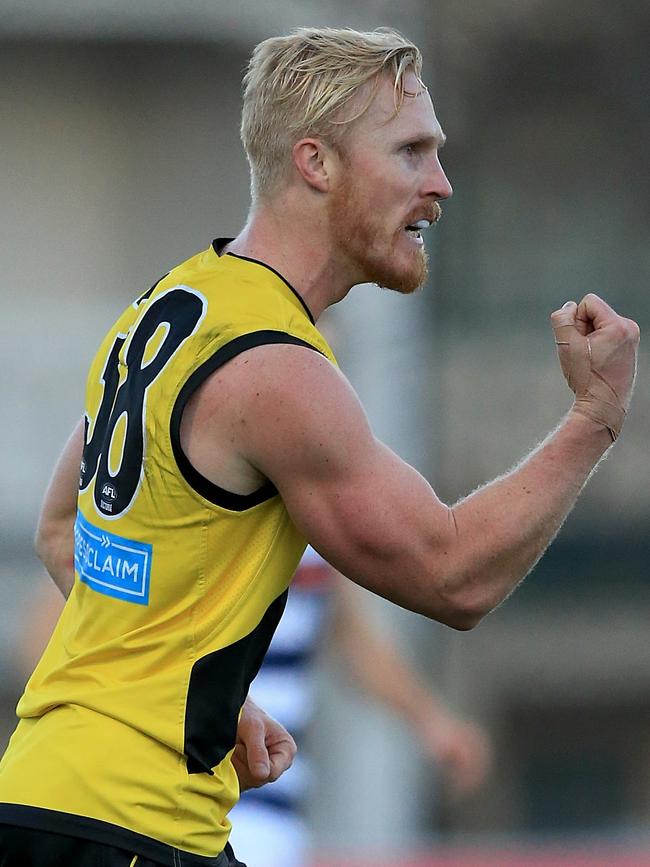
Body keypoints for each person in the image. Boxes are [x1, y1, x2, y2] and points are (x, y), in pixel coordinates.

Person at [0, 24, 639, 867]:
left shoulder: (170, 304)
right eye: (411, 151)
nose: (441, 185)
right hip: (132, 827)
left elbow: (61, 531)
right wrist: (594, 415)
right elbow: (454, 574)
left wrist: (195, 693)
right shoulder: (276, 368)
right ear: (317, 163)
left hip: (45, 798)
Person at [228, 547, 491, 867]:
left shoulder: (318, 524)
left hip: (273, 797)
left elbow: (352, 639)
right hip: (199, 776)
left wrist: (432, 722)